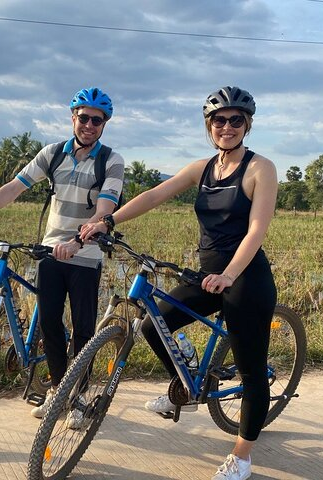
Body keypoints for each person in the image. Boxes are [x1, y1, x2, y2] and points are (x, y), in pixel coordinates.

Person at [80, 86, 277, 480]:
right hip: (207, 275)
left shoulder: (260, 169)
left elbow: (256, 230)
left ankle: (241, 457)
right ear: (209, 125)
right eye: (219, 120)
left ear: (247, 125)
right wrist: (108, 221)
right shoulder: (201, 169)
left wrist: (229, 275)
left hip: (246, 277)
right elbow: (155, 195)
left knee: (251, 370)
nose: (227, 127)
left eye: (236, 120)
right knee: (154, 323)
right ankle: (184, 386)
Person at [0, 87, 125, 420]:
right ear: (73, 118)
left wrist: (78, 241)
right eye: (83, 117)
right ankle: (58, 390)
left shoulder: (110, 161)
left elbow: (104, 209)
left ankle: (80, 395)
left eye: (96, 120)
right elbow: (13, 188)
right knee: (52, 325)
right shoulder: (53, 154)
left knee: (83, 329)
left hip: (85, 256)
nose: (89, 124)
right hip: (50, 253)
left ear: (104, 125)